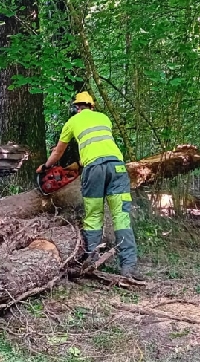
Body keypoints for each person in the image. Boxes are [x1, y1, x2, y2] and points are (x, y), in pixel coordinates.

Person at [36, 92, 139, 278]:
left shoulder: (72, 122)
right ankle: (128, 267)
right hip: (117, 167)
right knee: (121, 216)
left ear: (77, 107)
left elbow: (58, 153)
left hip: (94, 169)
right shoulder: (104, 118)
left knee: (93, 215)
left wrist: (45, 167)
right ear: (92, 106)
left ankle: (93, 261)